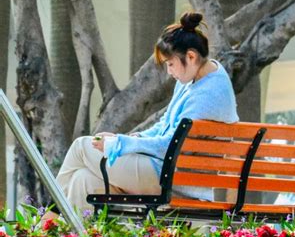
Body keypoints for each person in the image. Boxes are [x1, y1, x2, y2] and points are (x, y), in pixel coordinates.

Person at [50, 12, 238, 216]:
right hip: (169, 174)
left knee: (80, 147)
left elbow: (168, 146)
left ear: (191, 57)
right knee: (82, 179)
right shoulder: (198, 78)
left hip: (172, 180)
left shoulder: (208, 94)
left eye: (171, 64)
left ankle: (46, 224)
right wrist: (131, 139)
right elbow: (164, 125)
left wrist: (120, 144)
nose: (169, 71)